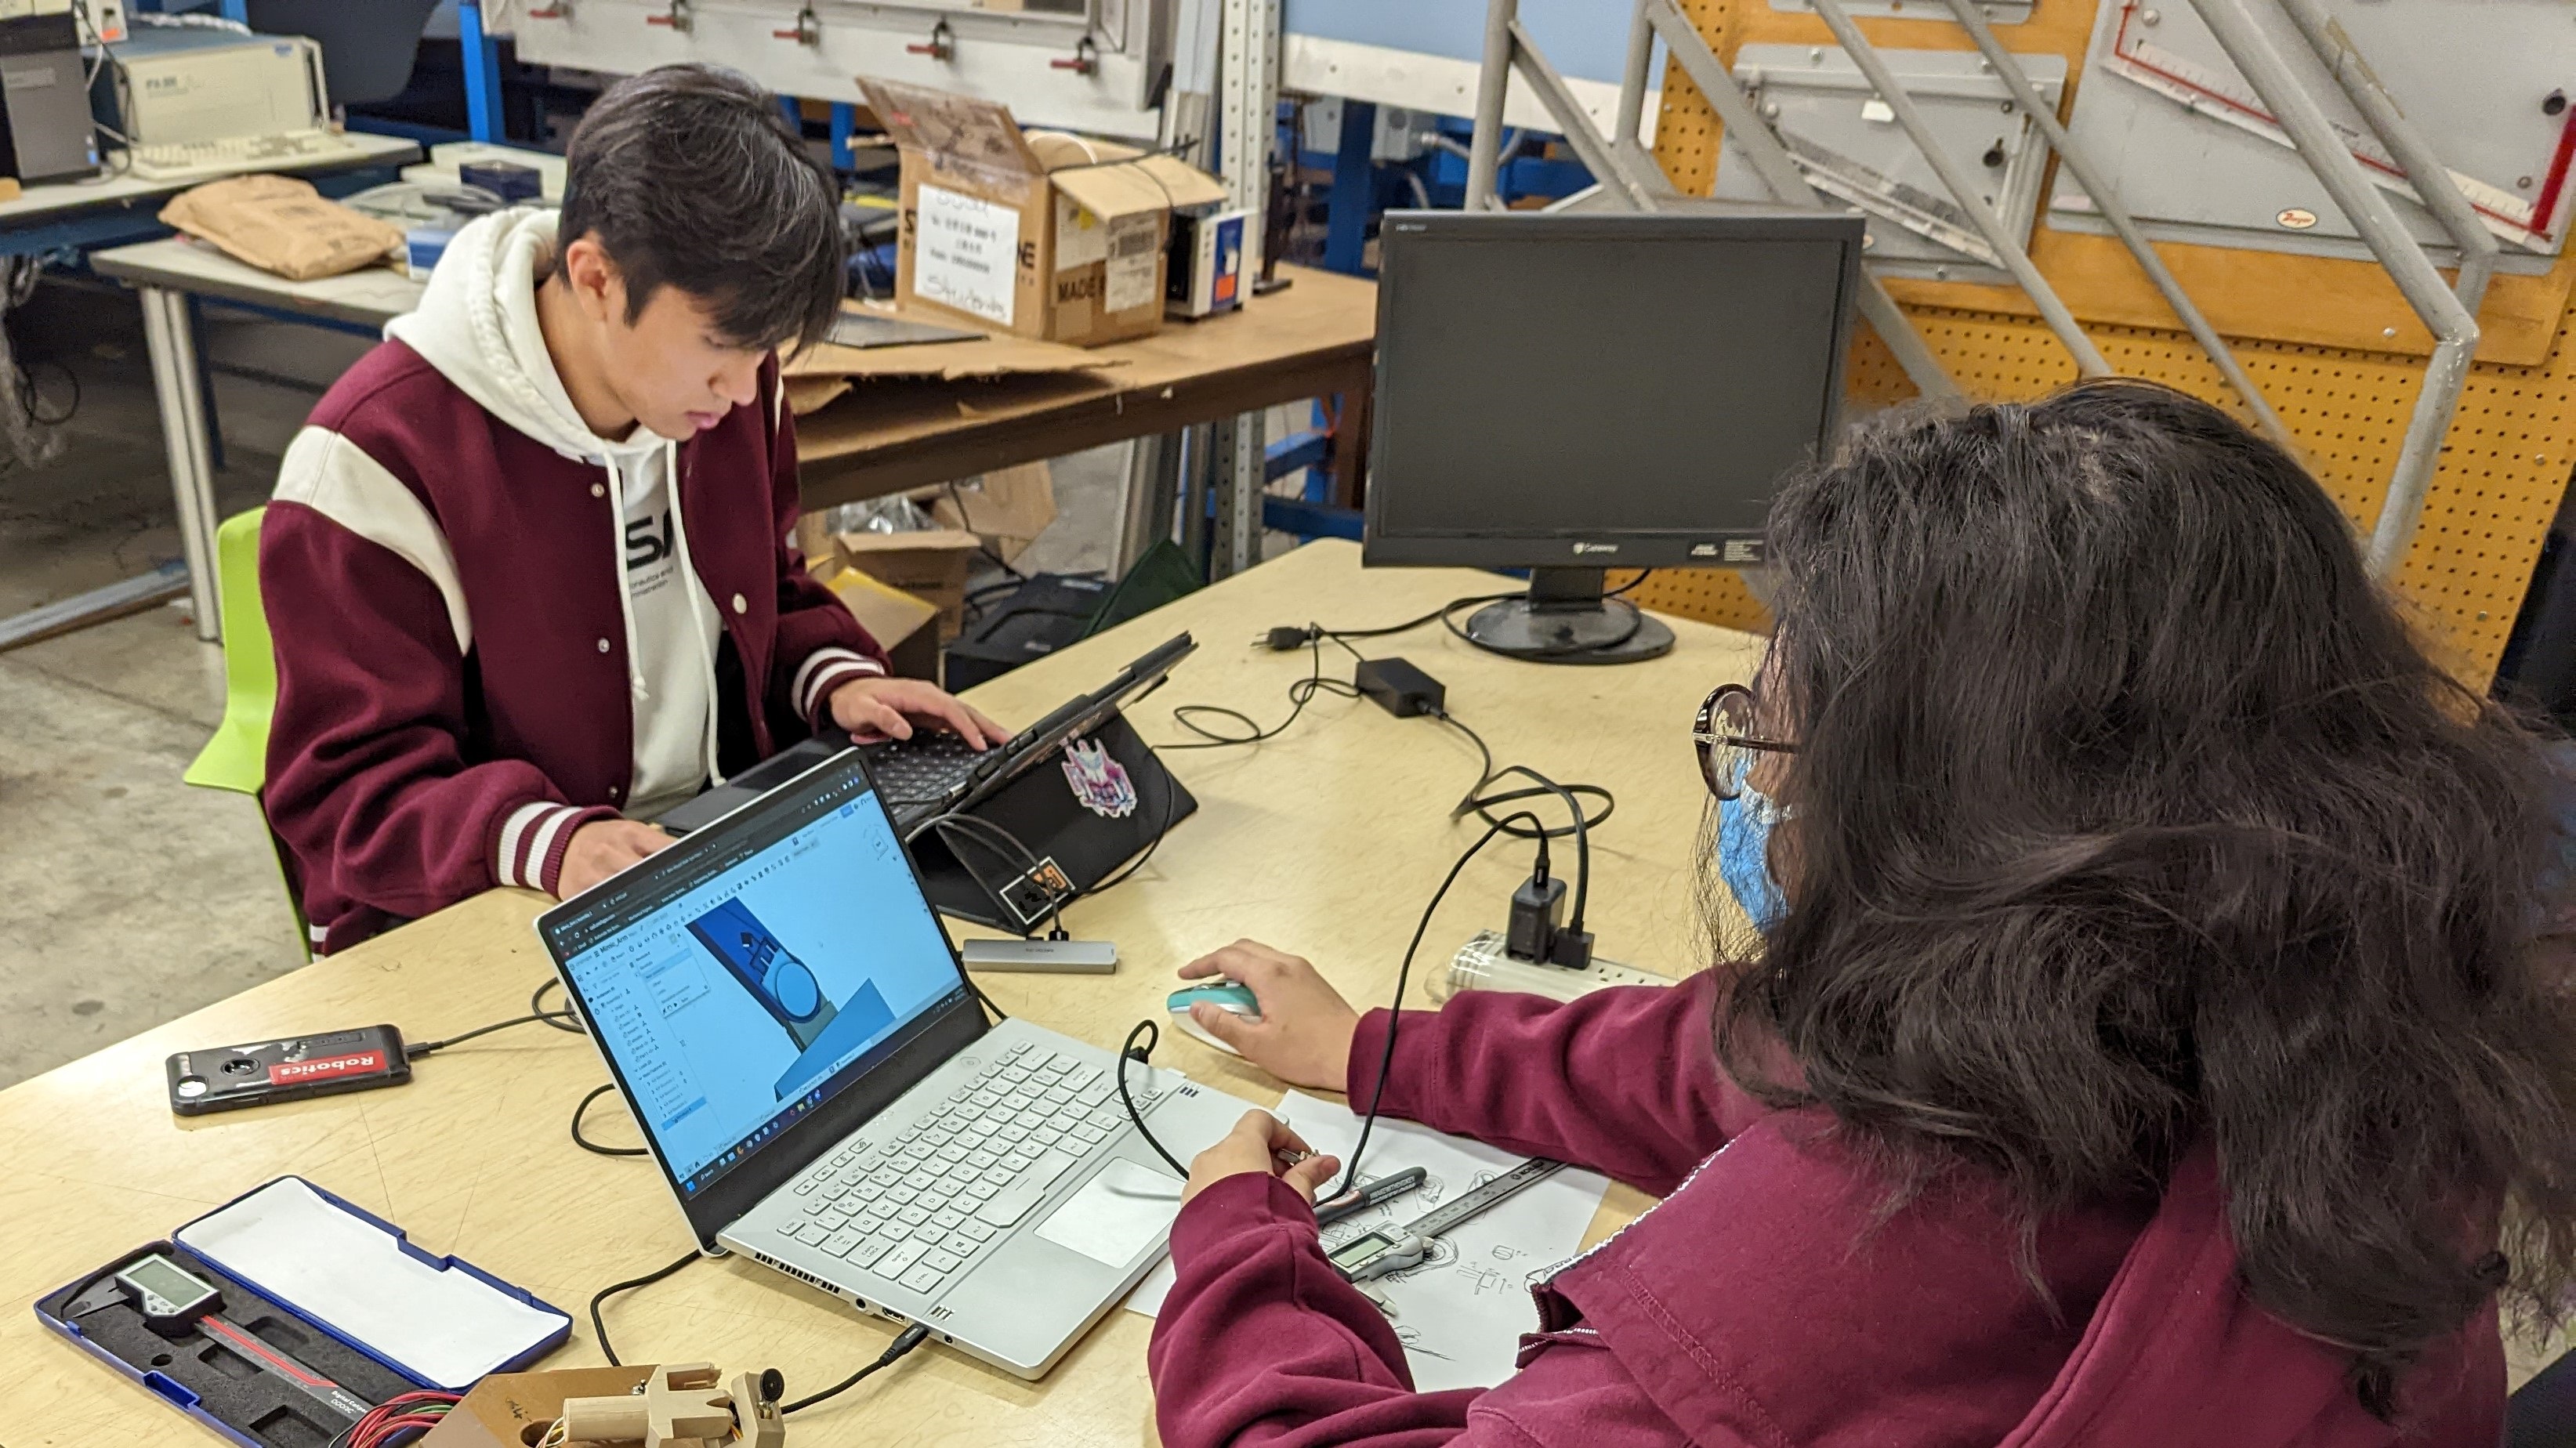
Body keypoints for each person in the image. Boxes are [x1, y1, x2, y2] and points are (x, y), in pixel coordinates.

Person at [1147, 380, 2576, 1446]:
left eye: (1768, 743)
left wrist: (1235, 1237)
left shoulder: (1839, 1275)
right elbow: (1739, 1046)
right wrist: (1375, 1051)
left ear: (1943, 826)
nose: (1758, 789)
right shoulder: (2339, 1029)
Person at [260, 64, 998, 953]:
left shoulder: (728, 394)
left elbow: (769, 590)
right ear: (597, 278)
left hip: (711, 860)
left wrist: (841, 681)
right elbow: (342, 795)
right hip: (487, 910)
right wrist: (549, 842)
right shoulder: (374, 464)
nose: (740, 389)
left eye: (763, 351)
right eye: (720, 346)